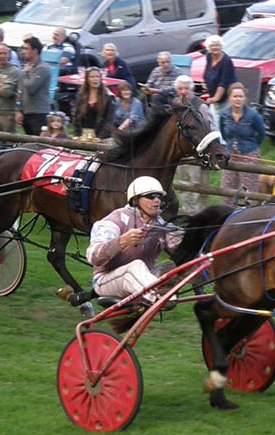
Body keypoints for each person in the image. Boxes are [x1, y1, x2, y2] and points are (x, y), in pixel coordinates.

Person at [86, 176, 183, 310]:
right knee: (135, 267)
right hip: (105, 280)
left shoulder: (161, 224)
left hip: (142, 279)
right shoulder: (115, 220)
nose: (157, 201)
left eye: (159, 197)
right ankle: (163, 297)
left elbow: (184, 248)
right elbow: (94, 257)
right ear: (135, 200)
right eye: (150, 196)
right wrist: (121, 241)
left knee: (175, 267)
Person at [173, 74, 214, 213]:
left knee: (197, 186)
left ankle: (199, 215)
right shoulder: (176, 105)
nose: (183, 91)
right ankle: (188, 213)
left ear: (192, 90)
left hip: (197, 153)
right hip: (181, 154)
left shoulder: (200, 106)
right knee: (184, 185)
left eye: (186, 88)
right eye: (180, 88)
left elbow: (210, 129)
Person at [220, 82, 266, 205]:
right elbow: (223, 133)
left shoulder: (253, 115)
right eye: (235, 96)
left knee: (249, 187)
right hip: (230, 154)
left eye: (240, 96)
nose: (238, 99)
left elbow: (261, 134)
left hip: (248, 154)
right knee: (228, 186)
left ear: (244, 98)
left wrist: (252, 148)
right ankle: (226, 215)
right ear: (229, 98)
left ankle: (248, 215)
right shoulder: (224, 114)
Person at [15, 36, 51, 136]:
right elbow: (20, 91)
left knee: (37, 144)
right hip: (26, 112)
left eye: (26, 49)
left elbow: (31, 88)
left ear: (35, 50)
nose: (23, 51)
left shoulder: (42, 68)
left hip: (38, 113)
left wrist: (25, 74)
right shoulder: (27, 67)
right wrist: (19, 110)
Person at [72, 66, 116, 142]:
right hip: (83, 136)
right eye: (92, 77)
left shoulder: (108, 97)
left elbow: (109, 120)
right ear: (87, 79)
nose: (95, 79)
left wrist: (100, 137)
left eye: (97, 76)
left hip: (102, 137)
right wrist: (76, 134)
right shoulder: (81, 96)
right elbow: (76, 117)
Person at [203, 34, 236, 132]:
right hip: (214, 97)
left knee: (222, 123)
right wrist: (206, 83)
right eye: (212, 45)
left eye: (217, 45)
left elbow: (223, 83)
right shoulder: (209, 56)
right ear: (208, 47)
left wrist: (215, 98)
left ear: (221, 46)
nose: (215, 47)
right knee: (213, 122)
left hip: (225, 98)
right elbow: (208, 72)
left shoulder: (226, 61)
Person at [0, 43, 21, 133]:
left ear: (9, 55)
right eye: (0, 53)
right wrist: (0, 85)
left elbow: (6, 91)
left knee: (9, 141)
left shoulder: (14, 71)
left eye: (5, 53)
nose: (2, 56)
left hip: (7, 113)